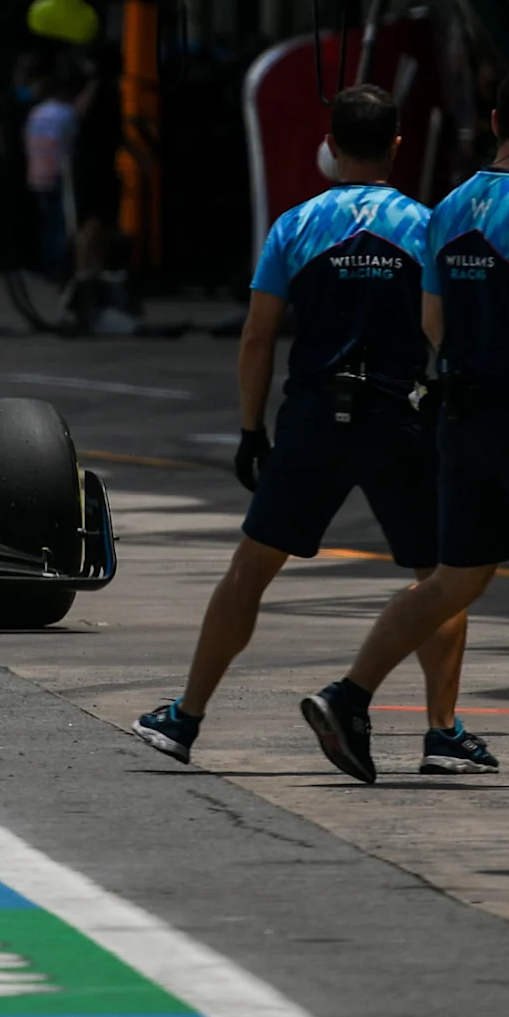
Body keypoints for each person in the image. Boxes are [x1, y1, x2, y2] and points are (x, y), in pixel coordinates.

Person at [297, 67, 509, 789]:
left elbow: (432, 322)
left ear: (494, 120)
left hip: (462, 419)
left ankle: (348, 694)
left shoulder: (446, 207)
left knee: (453, 579)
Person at [135, 83, 480, 772]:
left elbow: (258, 337)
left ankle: (186, 716)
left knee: (251, 568)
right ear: (397, 145)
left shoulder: (294, 225)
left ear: (331, 144)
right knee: (437, 575)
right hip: (399, 416)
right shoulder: (428, 224)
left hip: (315, 415)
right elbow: (446, 329)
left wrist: (249, 427)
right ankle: (443, 734)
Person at [22, 74, 78, 281]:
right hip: (58, 173)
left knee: (47, 225)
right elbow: (72, 140)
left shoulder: (37, 113)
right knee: (60, 225)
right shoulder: (66, 113)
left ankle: (46, 266)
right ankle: (58, 269)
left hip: (37, 174)